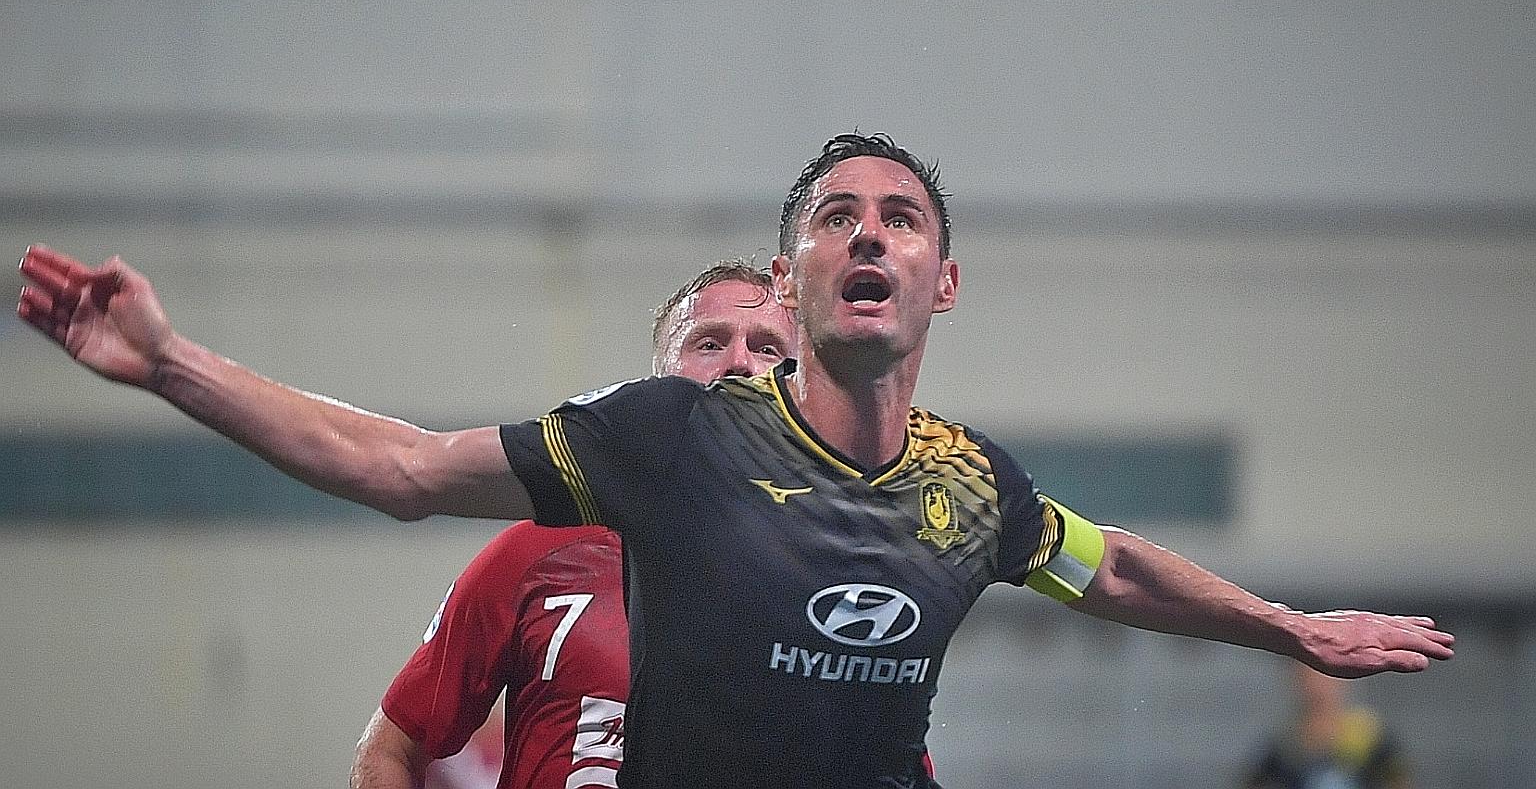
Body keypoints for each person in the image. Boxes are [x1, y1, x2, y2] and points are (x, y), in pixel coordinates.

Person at [17, 132, 1454, 789]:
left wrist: (1285, 625)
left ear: (943, 283)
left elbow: (1110, 563)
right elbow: (399, 467)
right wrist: (172, 365)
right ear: (798, 273)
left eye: (902, 216)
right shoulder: (669, 442)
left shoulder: (971, 490)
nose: (873, 232)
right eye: (839, 216)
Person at [349, 262, 797, 789]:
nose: (739, 363)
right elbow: (391, 748)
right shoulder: (538, 550)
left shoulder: (845, 579)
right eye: (709, 343)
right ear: (657, 384)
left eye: (767, 348)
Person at [1240, 660, 1413, 789]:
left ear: (1343, 680)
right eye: (1308, 675)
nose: (1317, 685)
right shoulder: (1281, 747)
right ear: (1295, 681)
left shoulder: (1371, 737)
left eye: (1325, 676)